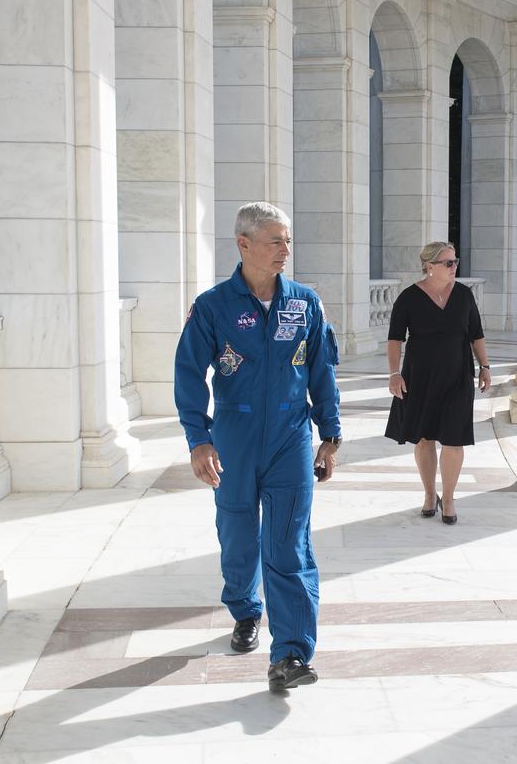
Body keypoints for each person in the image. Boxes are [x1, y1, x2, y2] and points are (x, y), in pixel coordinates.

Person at [174, 201, 341, 691]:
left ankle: (290, 653)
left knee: (289, 543)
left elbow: (321, 371)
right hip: (235, 436)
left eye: (288, 240)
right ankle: (246, 609)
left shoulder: (304, 303)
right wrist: (198, 440)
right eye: (275, 240)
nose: (285, 250)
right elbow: (188, 375)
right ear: (243, 244)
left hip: (290, 437)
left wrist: (329, 435)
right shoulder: (212, 307)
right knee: (238, 534)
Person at [384, 241, 490, 524]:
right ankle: (430, 494)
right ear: (429, 266)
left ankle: (450, 498)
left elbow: (476, 334)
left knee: (455, 439)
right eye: (448, 263)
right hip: (419, 377)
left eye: (455, 262)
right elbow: (395, 338)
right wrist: (395, 373)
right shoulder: (408, 298)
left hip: (458, 376)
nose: (454, 267)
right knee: (424, 438)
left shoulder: (464, 296)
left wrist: (485, 366)